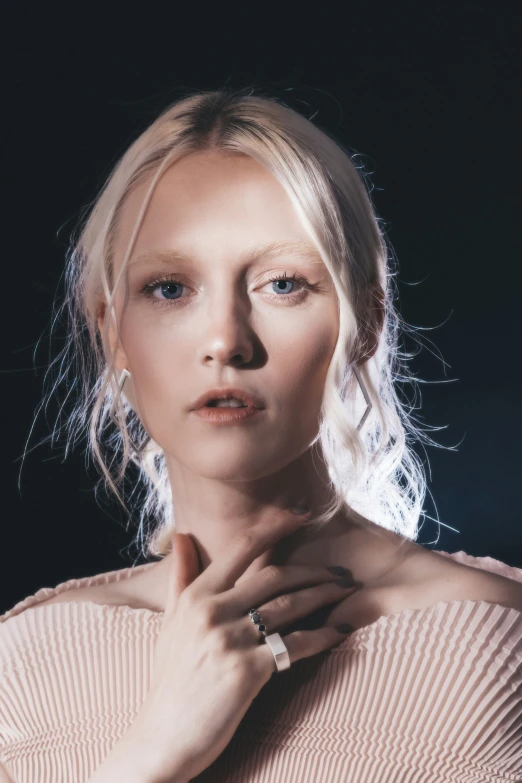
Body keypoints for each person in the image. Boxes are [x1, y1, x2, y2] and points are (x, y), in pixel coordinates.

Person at [1, 89, 521, 783]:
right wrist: (158, 749)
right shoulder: (29, 665)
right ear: (110, 330)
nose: (225, 340)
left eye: (282, 283)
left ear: (365, 321)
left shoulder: (490, 652)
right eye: (169, 288)